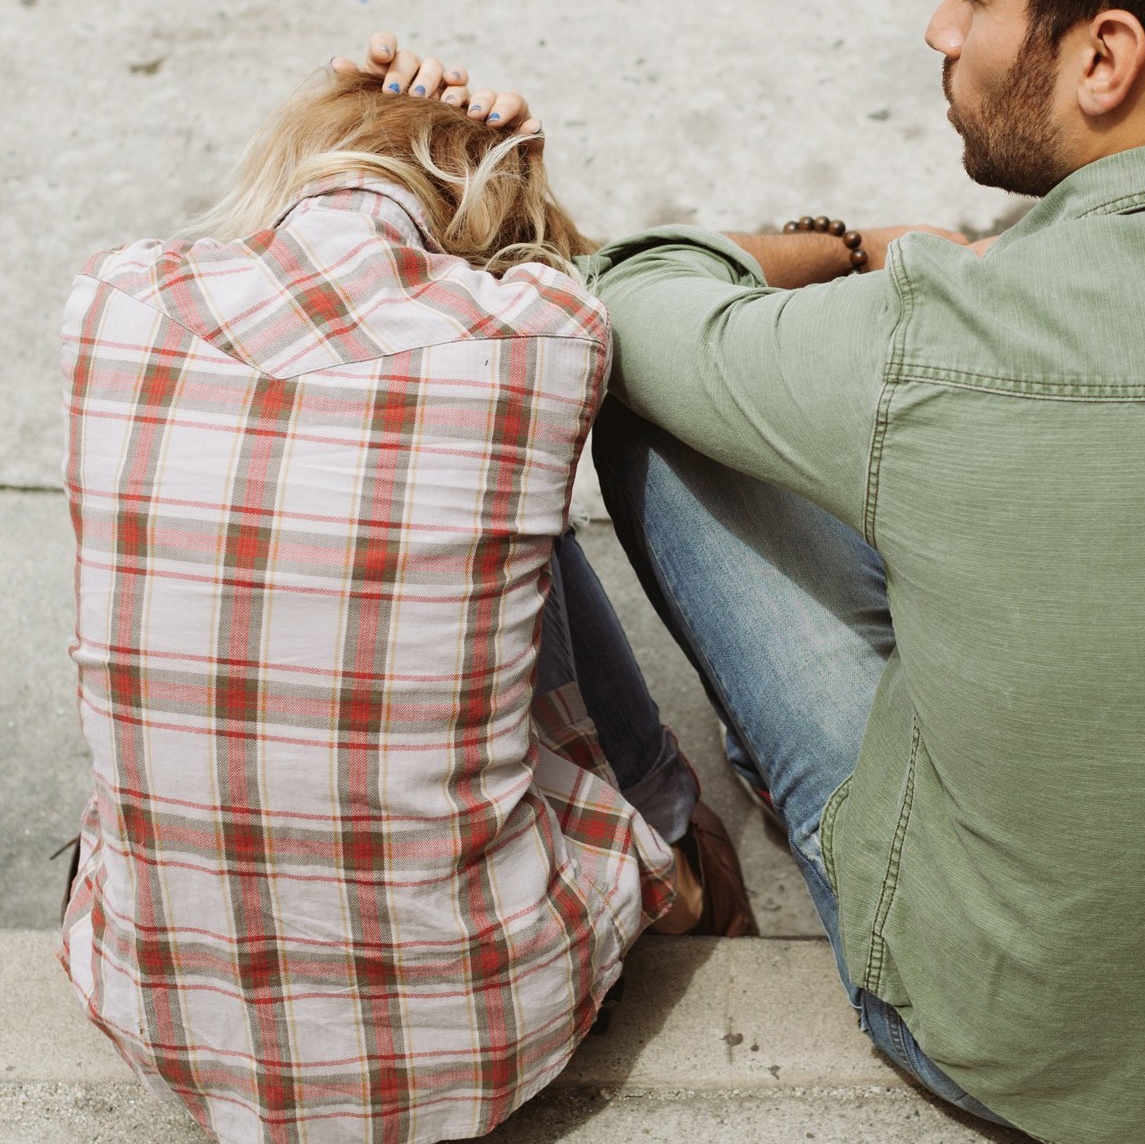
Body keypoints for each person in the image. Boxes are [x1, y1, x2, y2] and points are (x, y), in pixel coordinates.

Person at [365, 0, 1145, 1139]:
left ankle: (701, 832)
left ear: (1105, 59)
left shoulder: (933, 336)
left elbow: (620, 295)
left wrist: (857, 249)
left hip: (995, 1043)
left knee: (664, 415)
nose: (940, 28)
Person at [58, 66, 754, 1144]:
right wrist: (509, 160)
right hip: (481, 1042)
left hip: (166, 1031)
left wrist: (342, 107)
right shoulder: (542, 335)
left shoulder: (111, 301)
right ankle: (682, 842)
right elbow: (563, 279)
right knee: (504, 528)